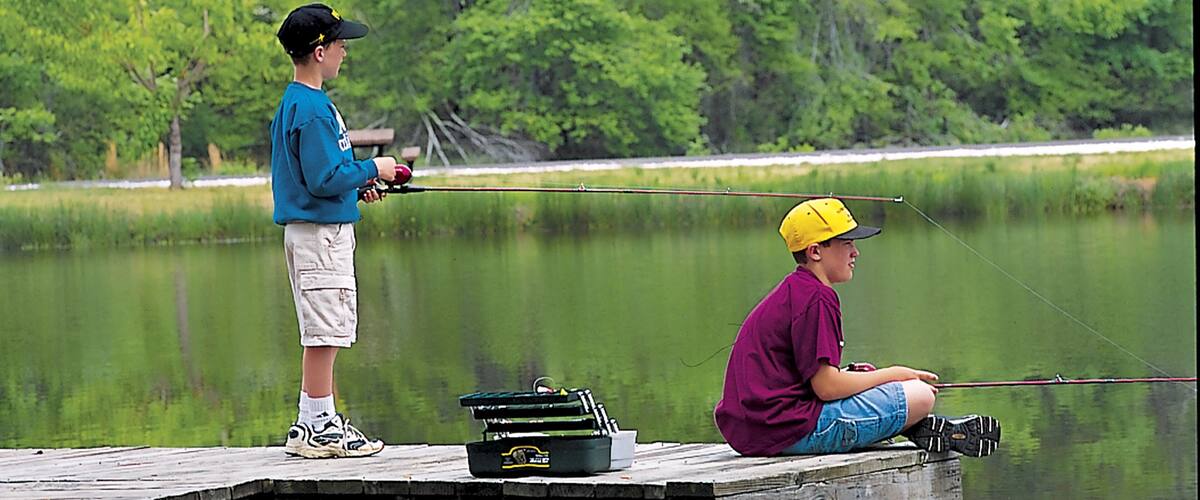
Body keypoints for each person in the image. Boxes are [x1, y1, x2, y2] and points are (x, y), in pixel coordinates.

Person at [713, 198, 1000, 457]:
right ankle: (910, 424)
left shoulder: (795, 290)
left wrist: (864, 377)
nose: (856, 252)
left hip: (754, 432)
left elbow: (810, 381)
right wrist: (896, 374)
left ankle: (906, 426)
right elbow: (826, 388)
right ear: (815, 251)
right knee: (919, 395)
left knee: (874, 379)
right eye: (847, 243)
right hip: (786, 431)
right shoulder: (817, 297)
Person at [271, 3, 397, 458]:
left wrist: (358, 188)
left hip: (315, 229)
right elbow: (324, 178)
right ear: (319, 51)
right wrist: (375, 167)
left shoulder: (297, 104)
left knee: (325, 329)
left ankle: (311, 422)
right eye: (341, 43)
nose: (346, 51)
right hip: (320, 238)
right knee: (326, 333)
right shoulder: (313, 110)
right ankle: (323, 427)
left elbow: (318, 177)